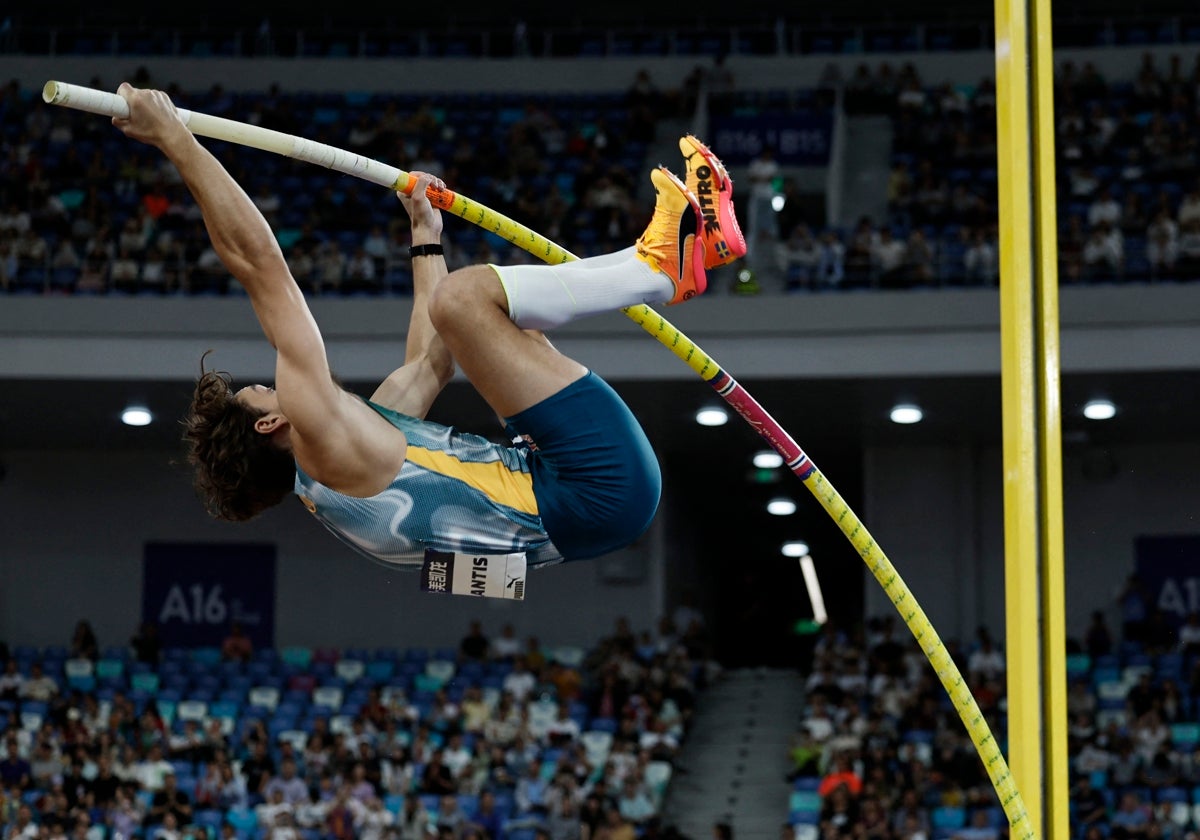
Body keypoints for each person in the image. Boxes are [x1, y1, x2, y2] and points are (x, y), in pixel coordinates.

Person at [111, 85, 744, 581]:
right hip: (590, 489)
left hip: (585, 503)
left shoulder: (346, 465)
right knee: (466, 300)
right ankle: (660, 268)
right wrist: (177, 142)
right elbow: (259, 267)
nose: (274, 388)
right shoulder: (321, 432)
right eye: (263, 393)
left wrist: (423, 238)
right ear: (271, 424)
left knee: (461, 306)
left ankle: (659, 261)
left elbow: (430, 363)